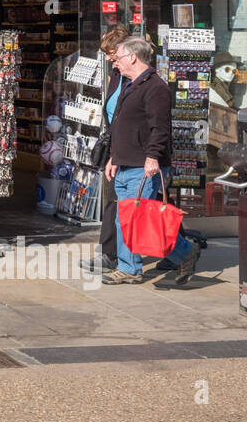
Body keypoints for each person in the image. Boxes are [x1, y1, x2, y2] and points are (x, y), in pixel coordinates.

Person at [101, 37, 202, 285]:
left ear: (133, 57)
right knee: (124, 218)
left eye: (120, 58)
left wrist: (152, 157)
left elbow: (160, 128)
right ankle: (130, 267)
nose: (116, 64)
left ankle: (183, 252)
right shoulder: (130, 84)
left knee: (142, 220)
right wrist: (114, 156)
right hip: (126, 162)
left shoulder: (155, 87)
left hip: (142, 164)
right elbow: (120, 125)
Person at [80, 25, 131, 275]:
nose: (110, 59)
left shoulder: (137, 77)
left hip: (130, 147)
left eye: (112, 53)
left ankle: (110, 255)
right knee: (118, 200)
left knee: (125, 201)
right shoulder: (116, 73)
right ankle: (180, 249)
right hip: (116, 142)